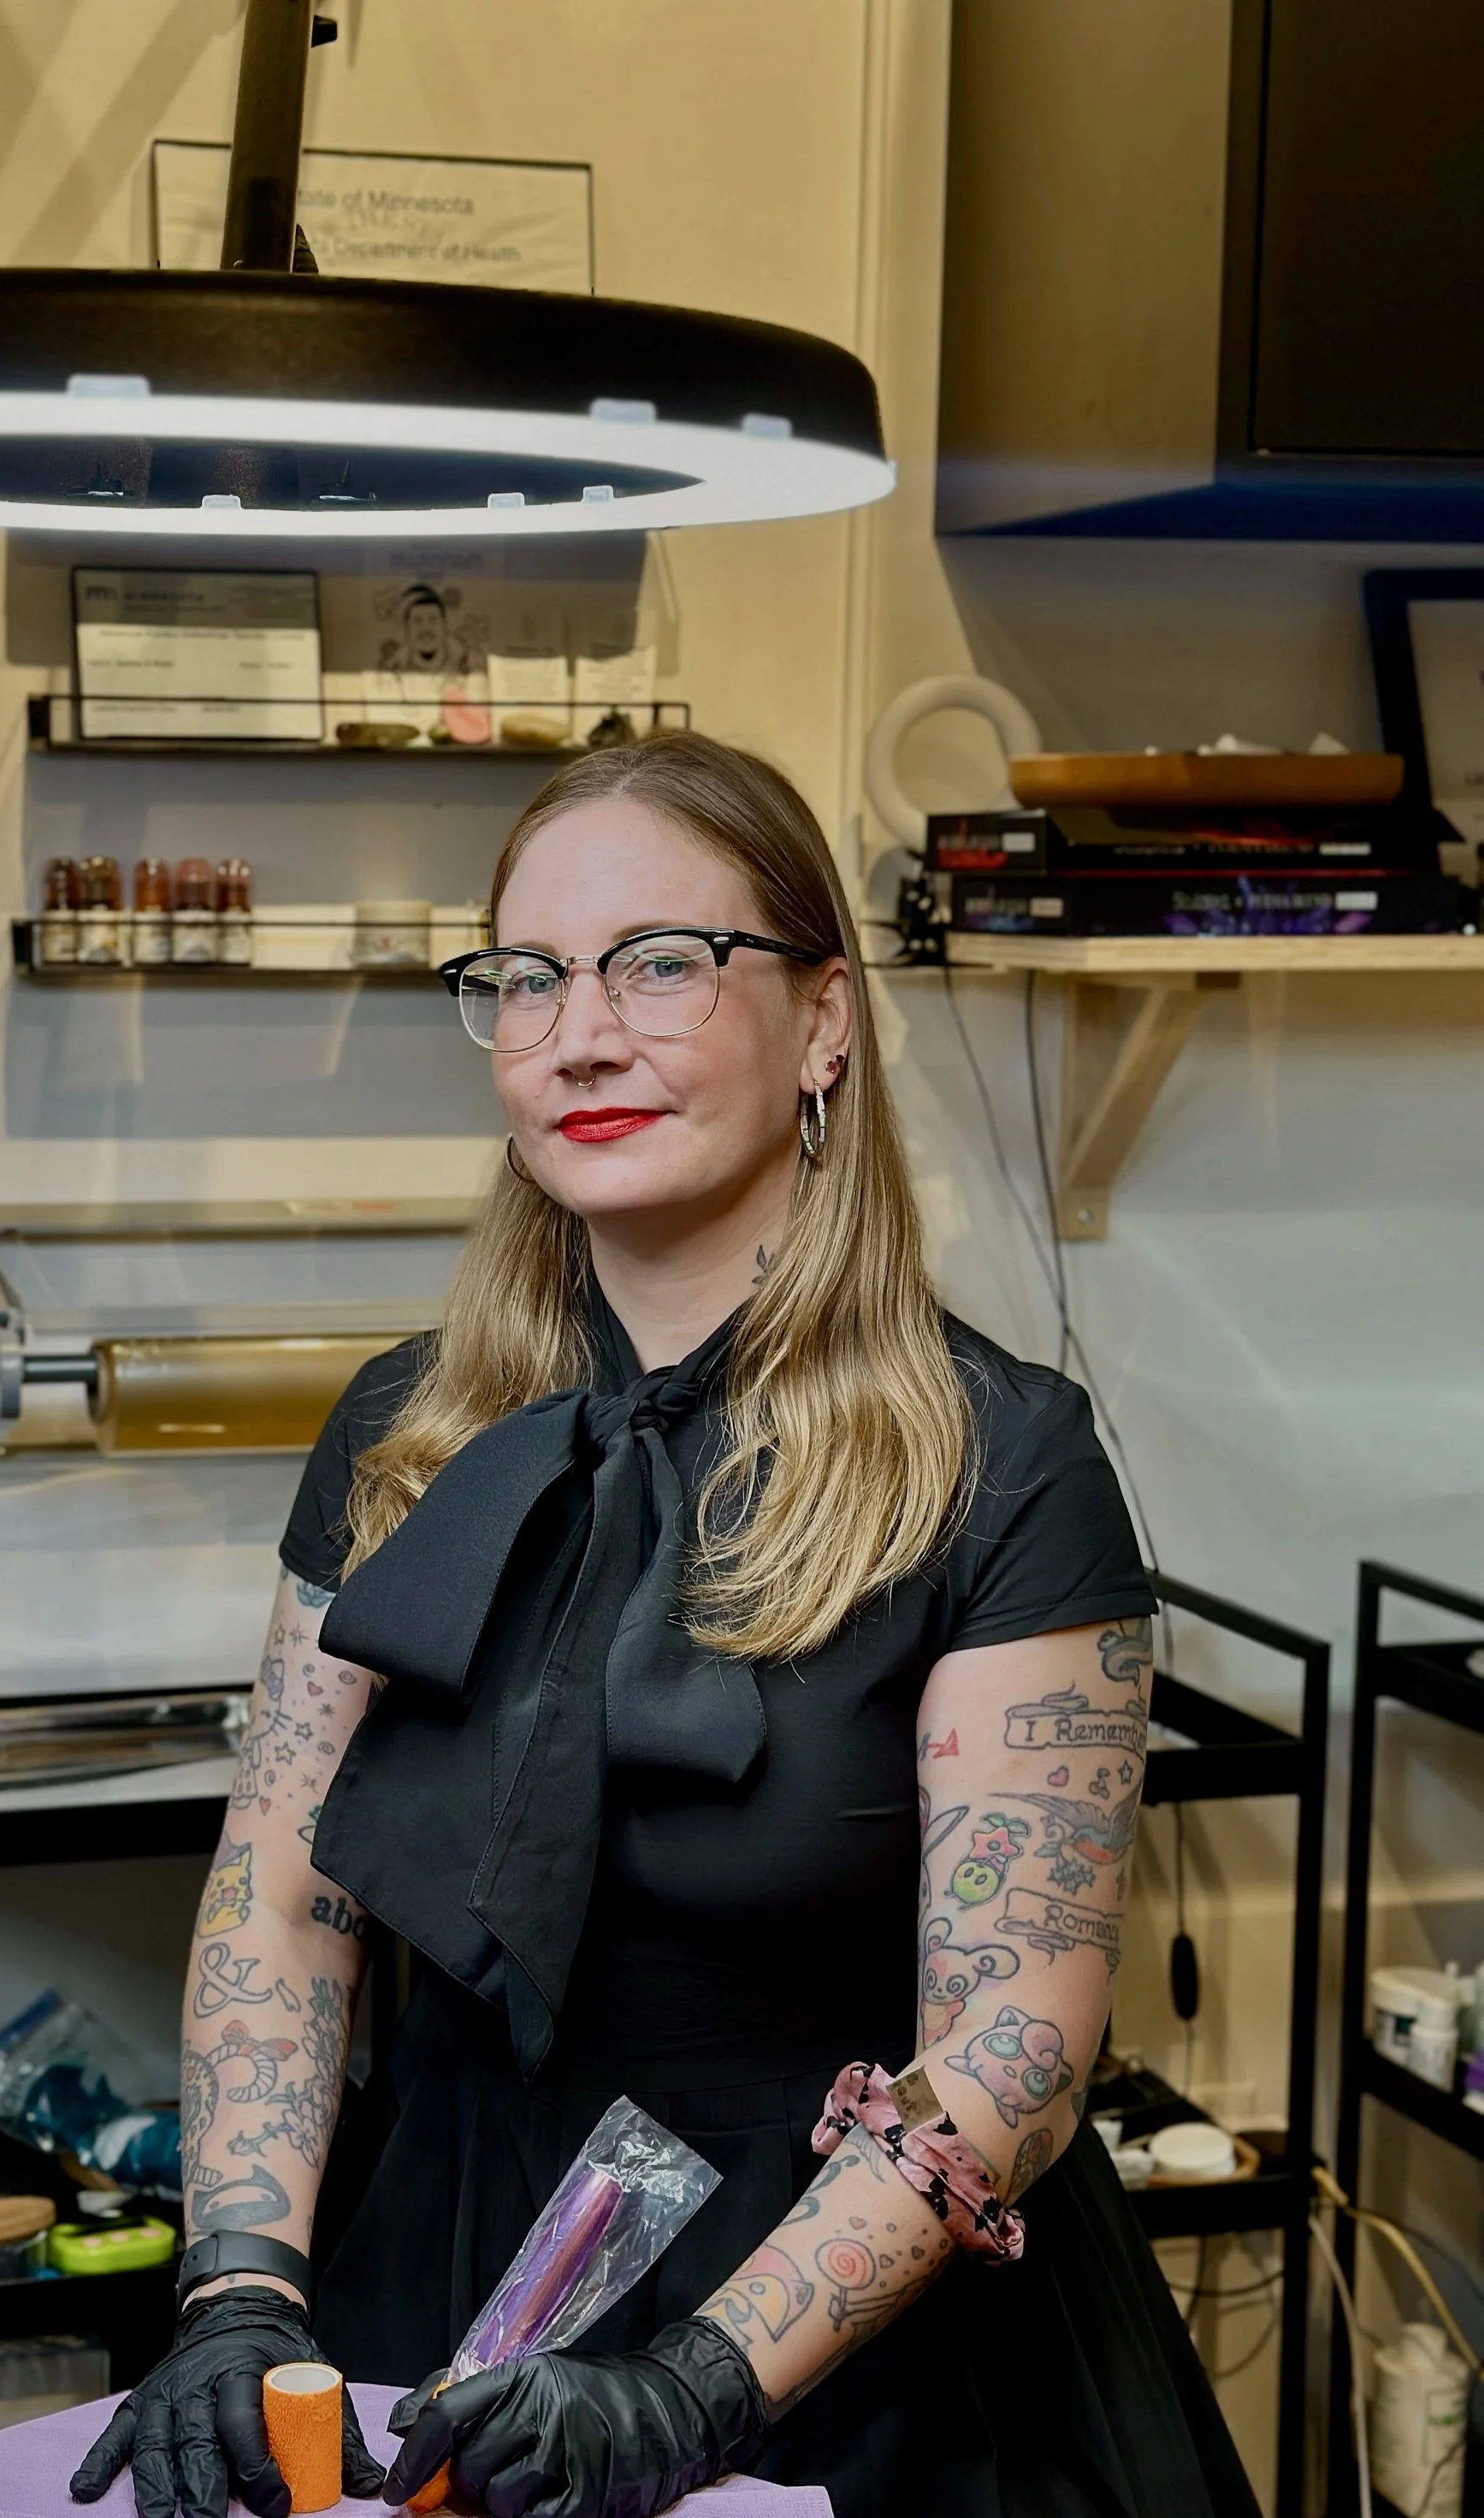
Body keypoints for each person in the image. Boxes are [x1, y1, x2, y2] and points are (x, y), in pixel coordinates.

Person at [71, 732, 1256, 2518]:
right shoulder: (404, 1437)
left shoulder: (999, 1461)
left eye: (659, 964)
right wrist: (239, 2282)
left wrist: (693, 2384)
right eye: (526, 976)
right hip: (448, 2274)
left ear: (823, 1020)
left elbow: (1017, 2030)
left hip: (846, 2340)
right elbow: (283, 1896)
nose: (579, 1033)